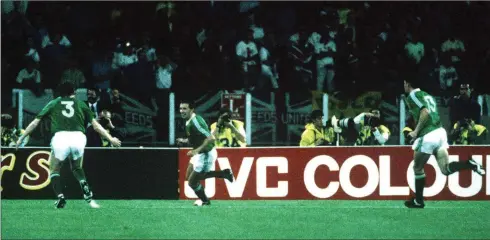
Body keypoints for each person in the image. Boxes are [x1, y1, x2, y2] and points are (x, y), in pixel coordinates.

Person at [15, 82, 122, 209]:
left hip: (61, 137)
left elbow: (35, 122)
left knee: (54, 169)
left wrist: (21, 137)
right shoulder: (81, 104)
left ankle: (60, 197)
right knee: (76, 167)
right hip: (79, 137)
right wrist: (111, 139)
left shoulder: (54, 103)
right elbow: (96, 125)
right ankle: (85, 188)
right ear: (74, 92)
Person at [402, 76, 485, 208]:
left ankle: (418, 201)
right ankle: (469, 164)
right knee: (445, 169)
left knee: (417, 168)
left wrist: (415, 132)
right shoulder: (427, 95)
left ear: (408, 83)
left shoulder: (413, 95)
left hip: (428, 134)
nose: (404, 86)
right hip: (440, 132)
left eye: (404, 83)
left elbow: (425, 112)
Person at [176, 100, 234, 206]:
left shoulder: (195, 122)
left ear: (191, 109)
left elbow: (211, 138)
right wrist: (184, 141)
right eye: (180, 108)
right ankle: (223, 174)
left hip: (206, 154)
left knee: (192, 182)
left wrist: (196, 150)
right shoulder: (189, 120)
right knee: (189, 177)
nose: (182, 111)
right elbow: (197, 138)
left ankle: (206, 201)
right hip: (199, 152)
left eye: (185, 108)